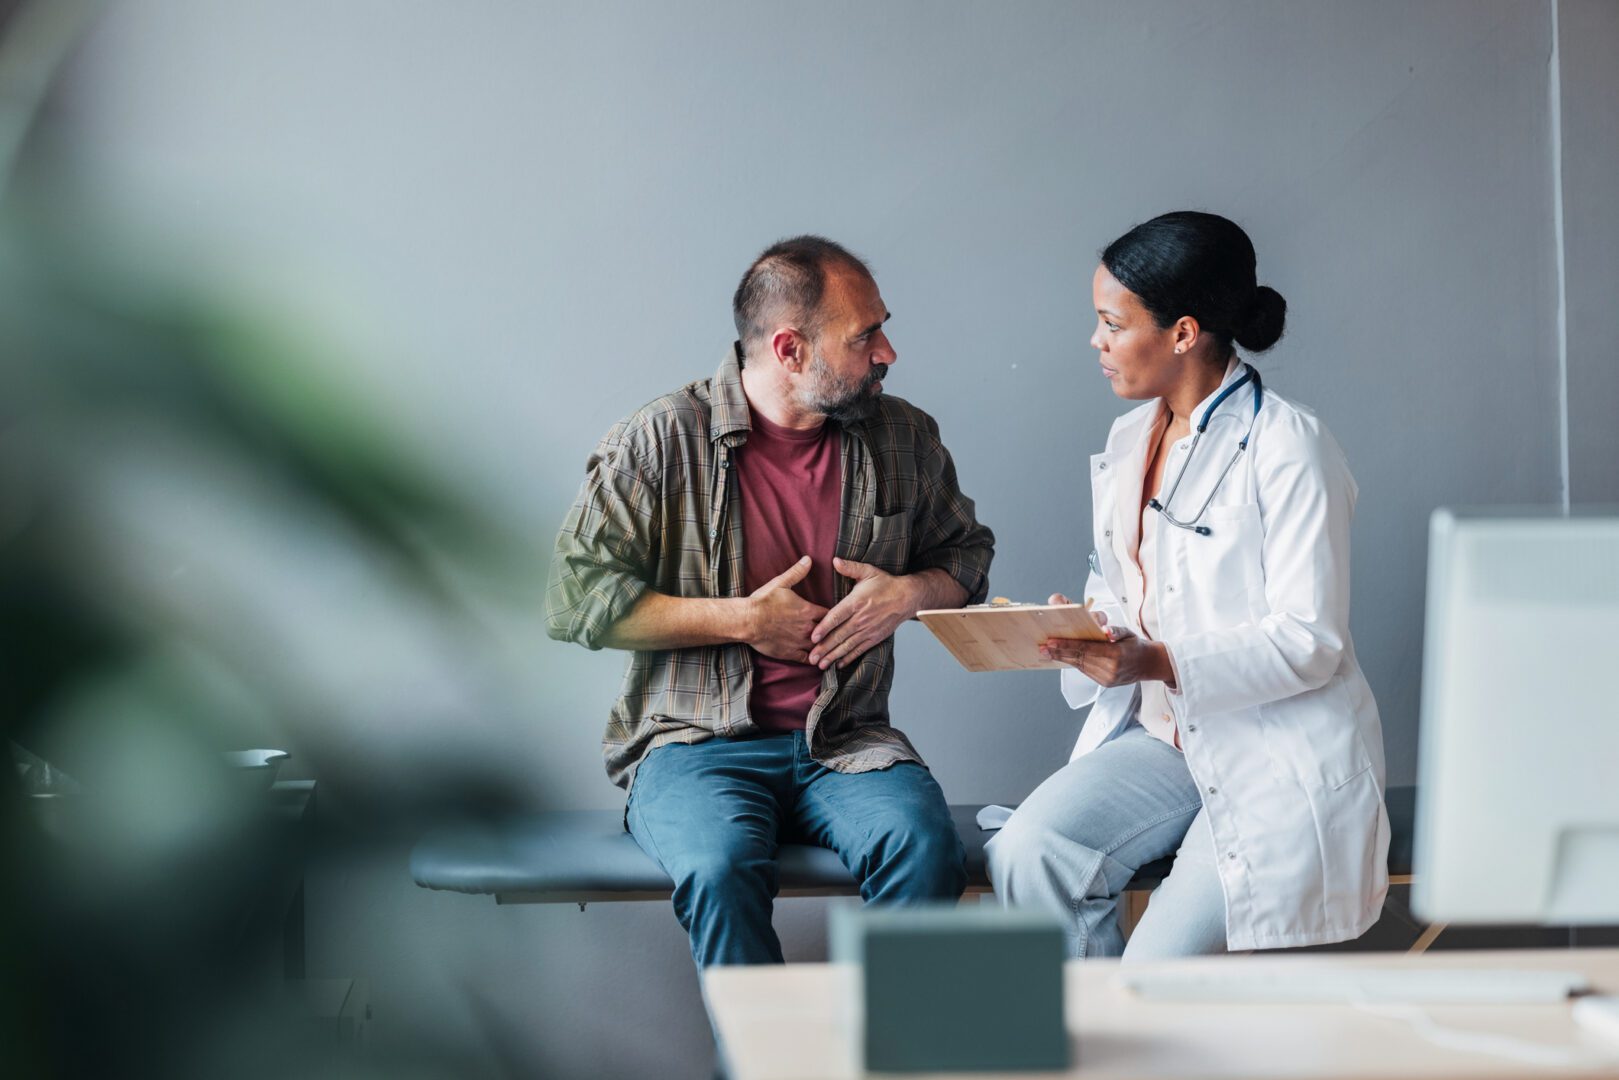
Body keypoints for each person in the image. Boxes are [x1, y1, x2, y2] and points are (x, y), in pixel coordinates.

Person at [546, 235, 995, 968]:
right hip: (694, 744)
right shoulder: (660, 440)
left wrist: (909, 594)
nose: (888, 352)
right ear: (790, 349)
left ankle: (892, 1058)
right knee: (720, 871)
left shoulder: (904, 437)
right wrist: (742, 620)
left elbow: (965, 557)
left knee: (926, 853)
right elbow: (572, 602)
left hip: (845, 740)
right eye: (866, 336)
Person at [986, 211, 1388, 960]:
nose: (1095, 342)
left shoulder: (1289, 445)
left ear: (1181, 333)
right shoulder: (1127, 439)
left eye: (1112, 323)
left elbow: (1312, 641)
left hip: (1272, 749)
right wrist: (1090, 627)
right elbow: (1127, 586)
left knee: (1155, 970)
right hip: (1165, 739)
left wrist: (1158, 660)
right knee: (1026, 853)